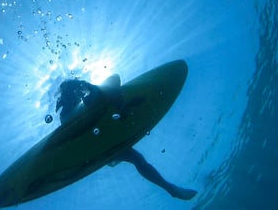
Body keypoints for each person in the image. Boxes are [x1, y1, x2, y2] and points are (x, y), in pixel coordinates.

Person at [55, 76, 197, 201]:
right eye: (73, 92)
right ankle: (170, 189)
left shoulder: (85, 102)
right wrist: (86, 86)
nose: (76, 94)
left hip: (105, 141)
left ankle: (170, 188)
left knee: (137, 159)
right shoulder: (67, 112)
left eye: (76, 91)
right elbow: (72, 124)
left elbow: (108, 89)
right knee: (137, 159)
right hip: (93, 148)